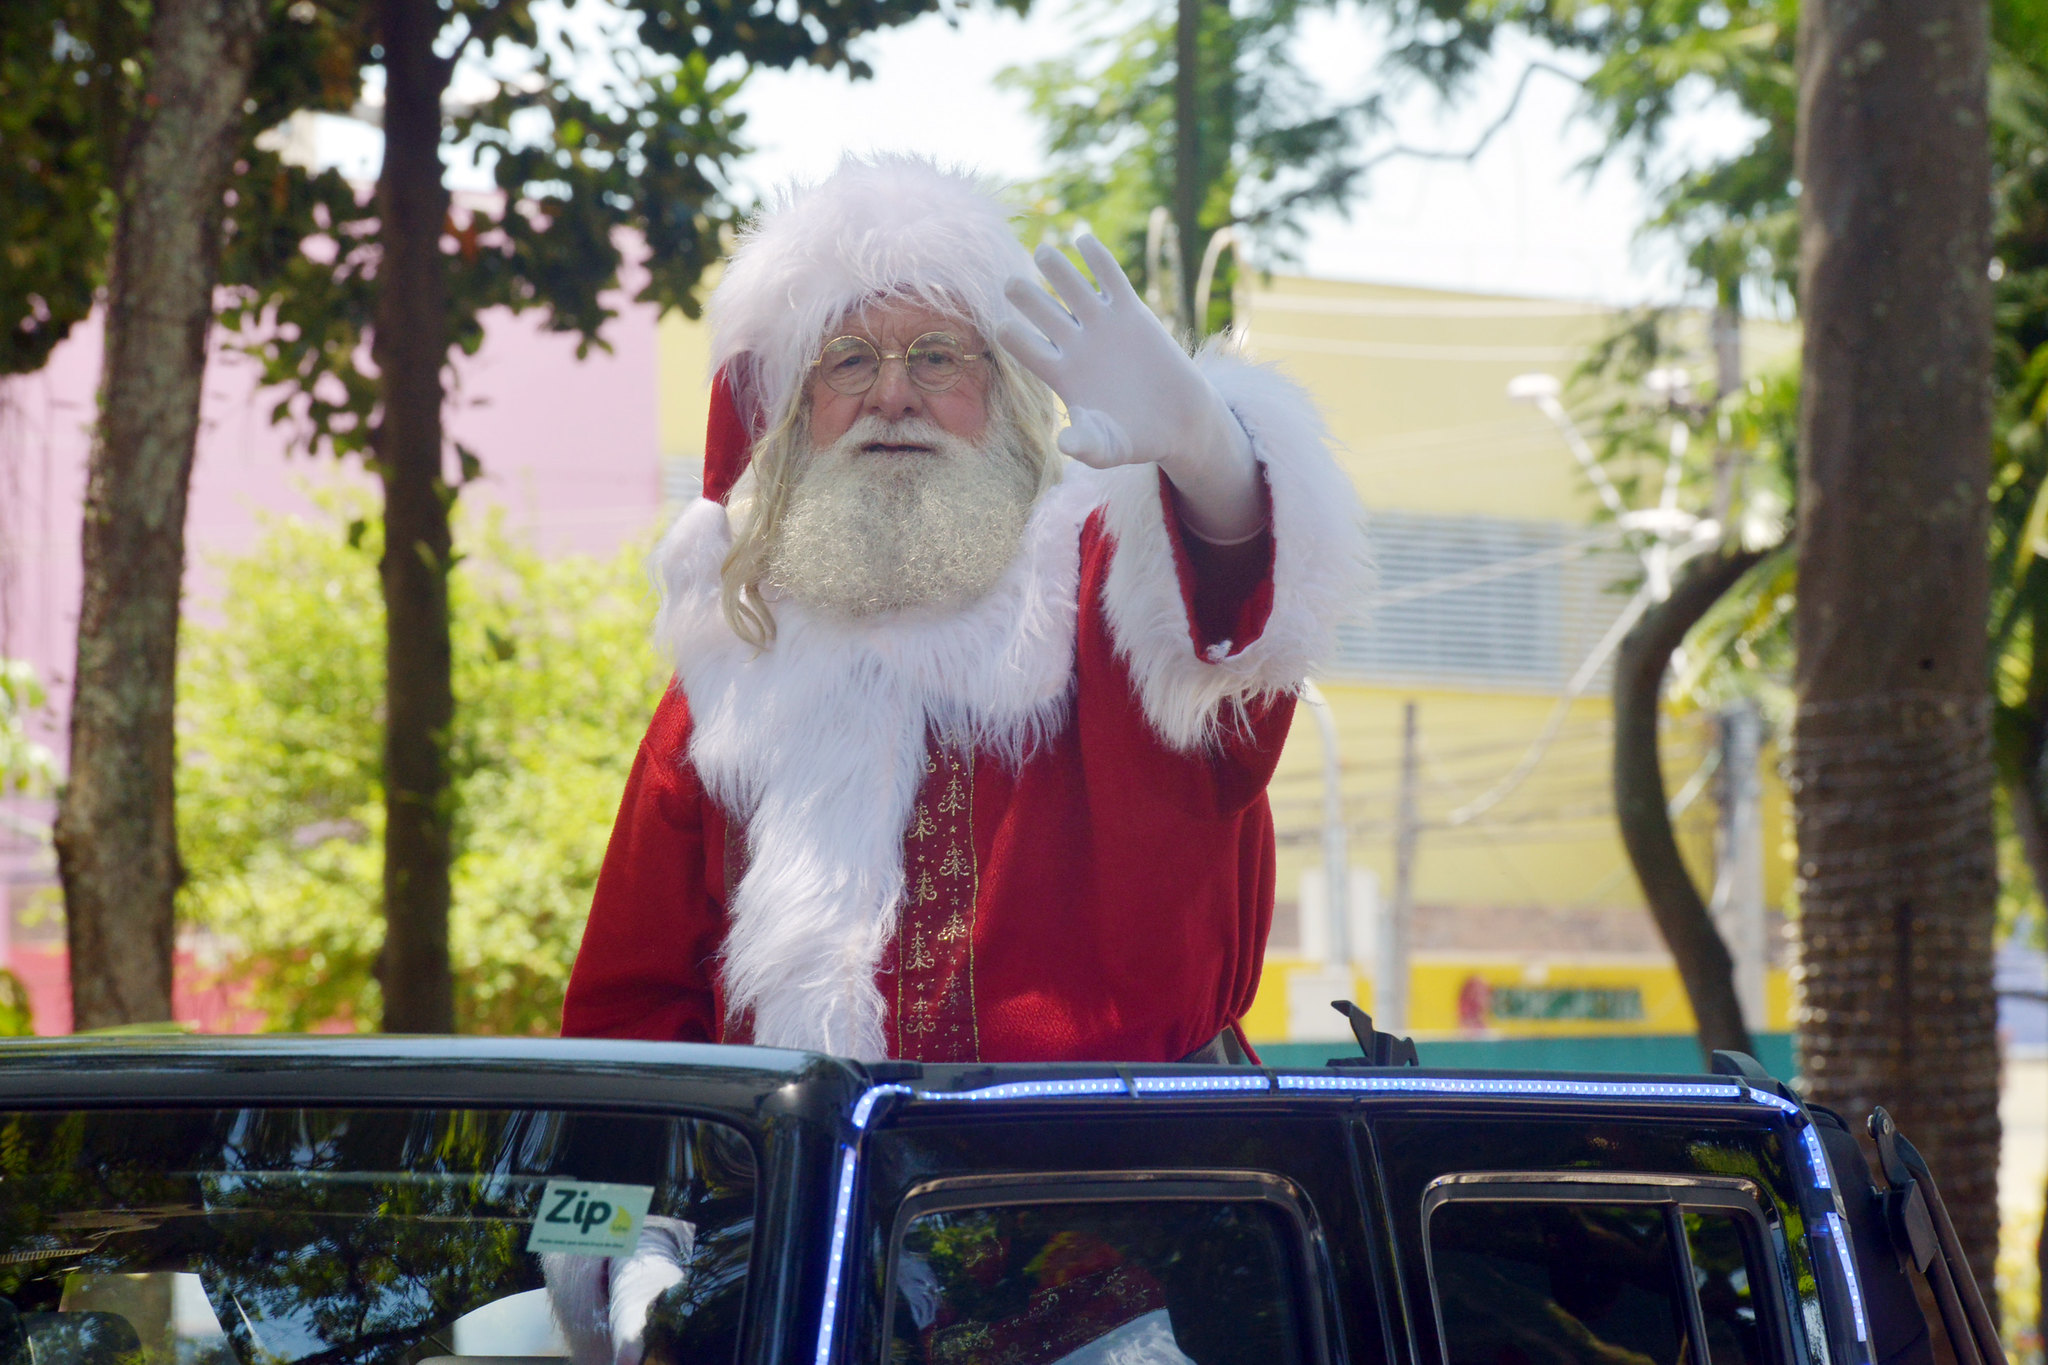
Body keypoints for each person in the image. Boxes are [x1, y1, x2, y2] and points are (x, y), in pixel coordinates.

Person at [560, 153, 1368, 1065]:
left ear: (1003, 395)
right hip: (807, 1192)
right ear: (798, 413)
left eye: (938, 357)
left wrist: (1211, 456)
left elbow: (1231, 635)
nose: (892, 393)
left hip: (1124, 1179)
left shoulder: (1096, 594)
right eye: (849, 360)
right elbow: (628, 1016)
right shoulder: (731, 674)